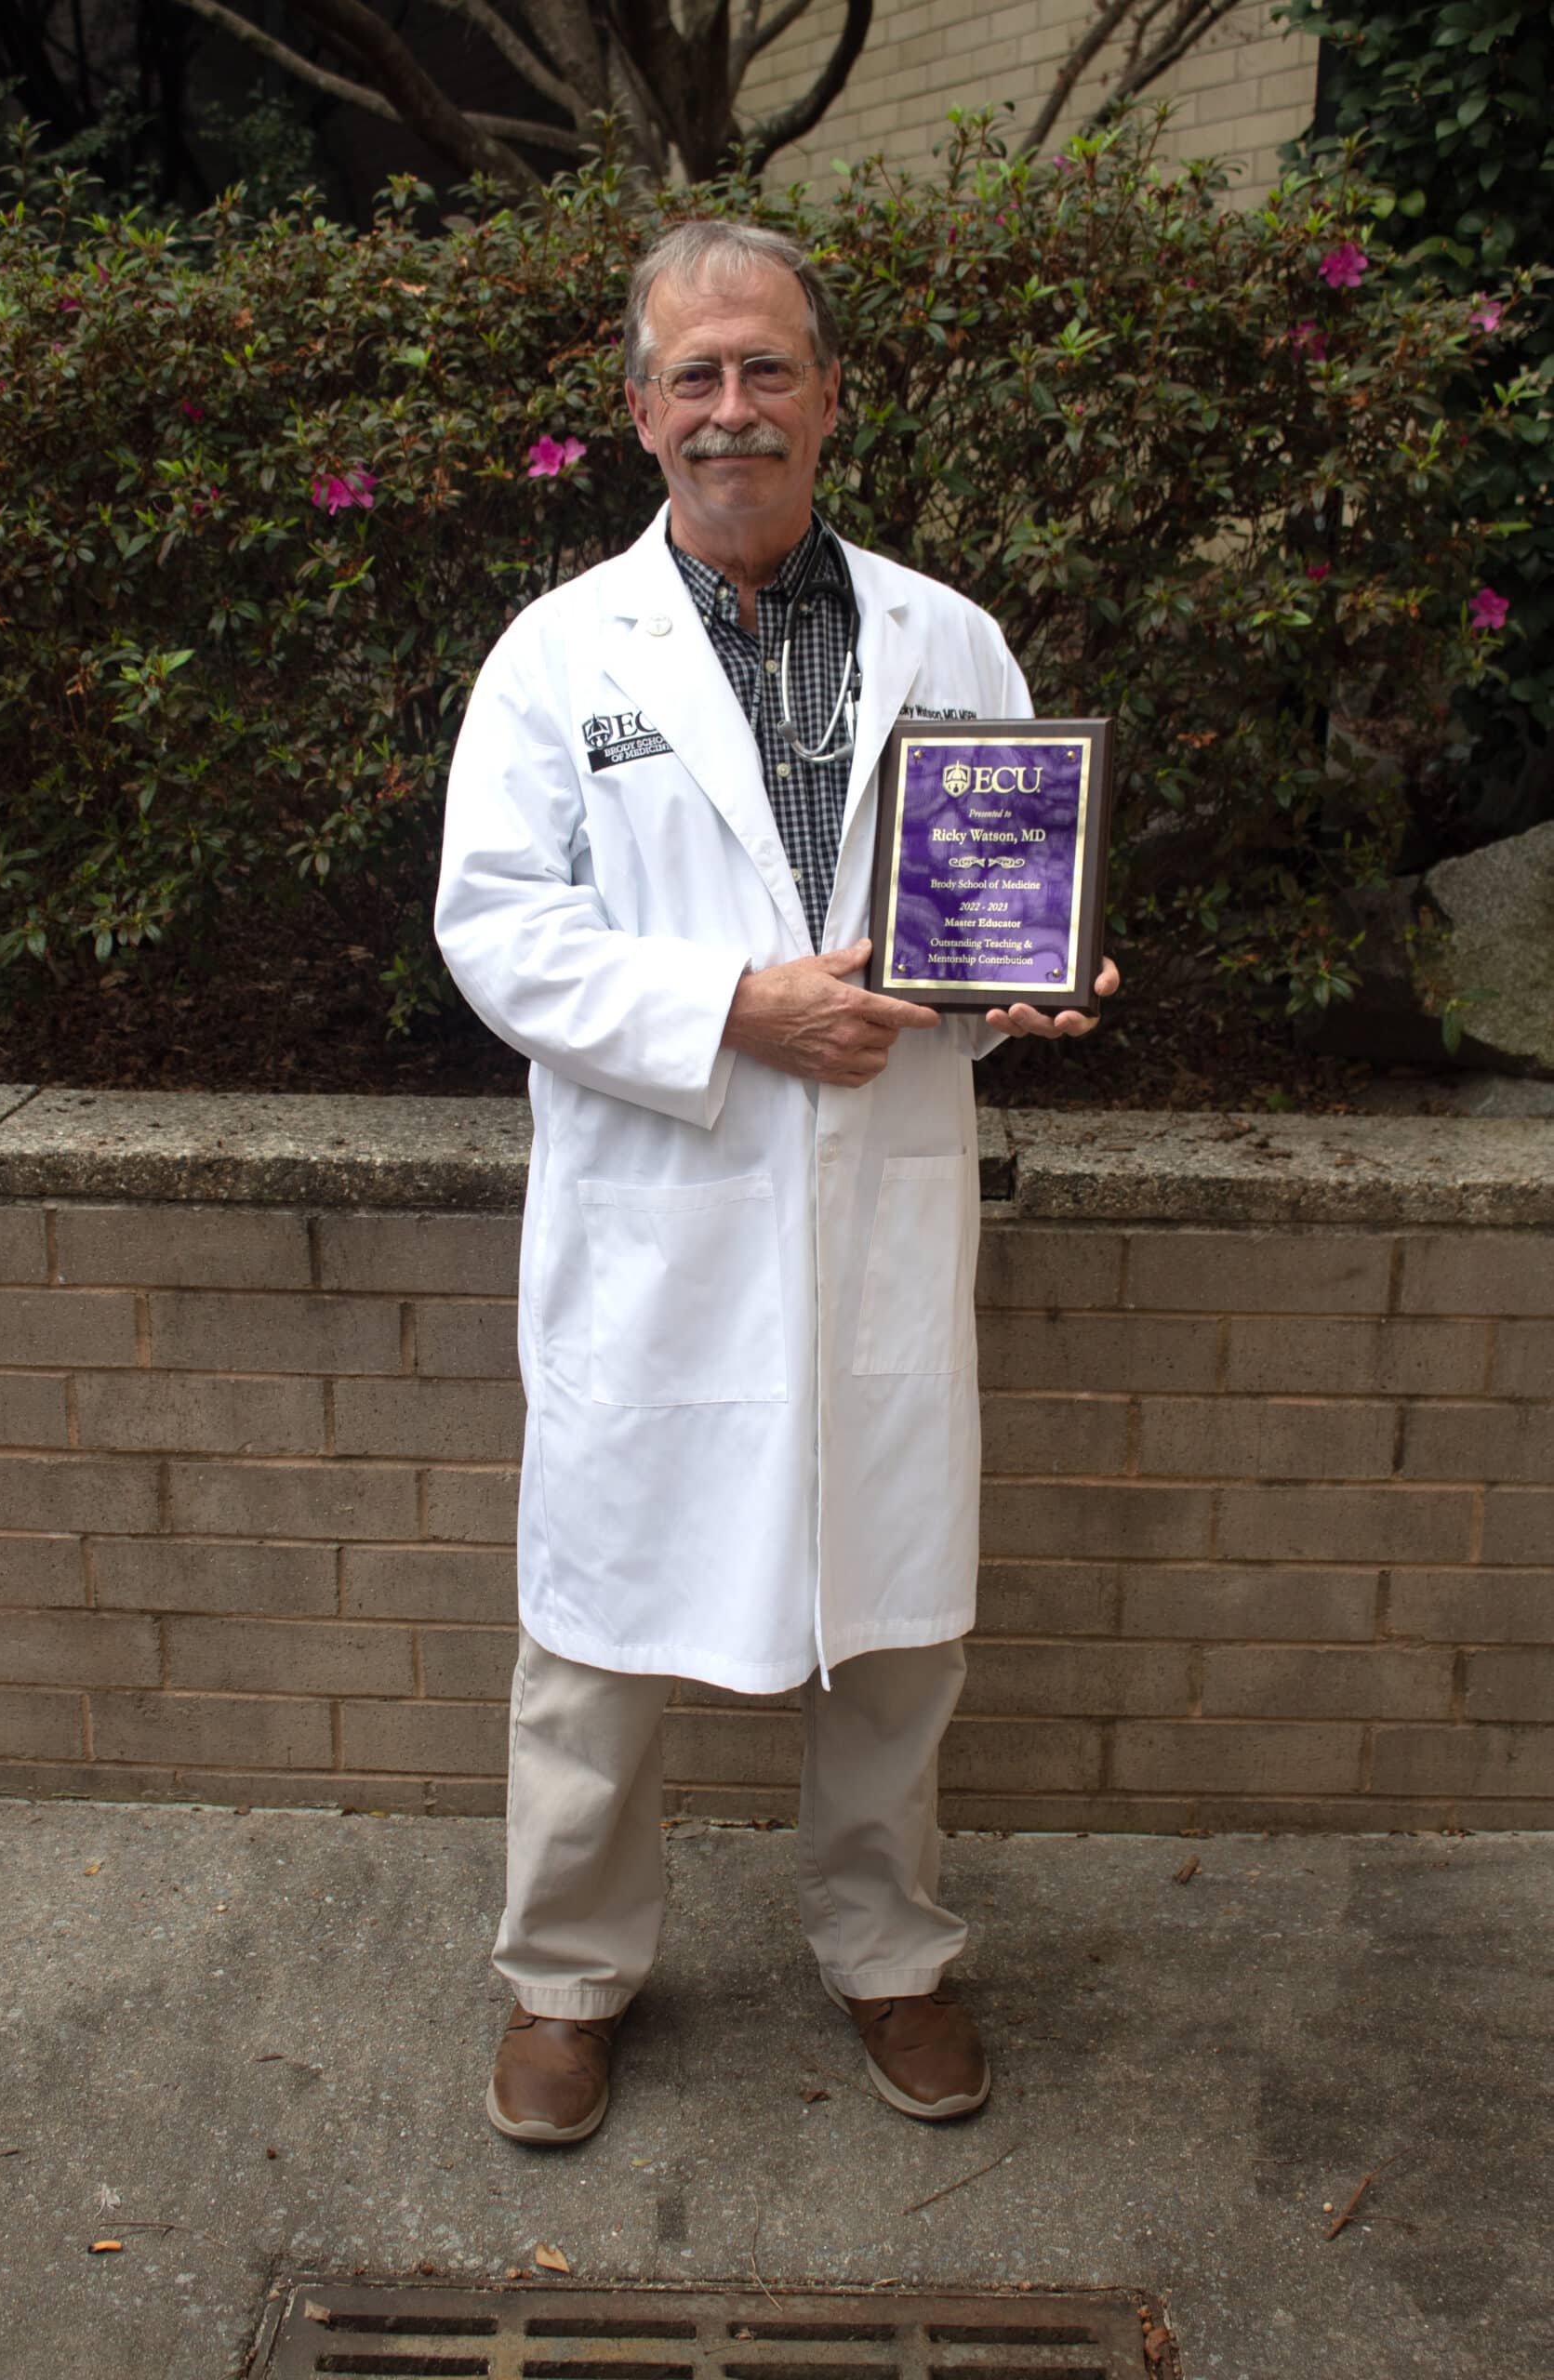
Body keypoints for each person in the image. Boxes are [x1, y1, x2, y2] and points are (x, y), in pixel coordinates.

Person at [434, 218, 1119, 2148]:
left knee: (894, 1628)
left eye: (766, 370)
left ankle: (888, 1949)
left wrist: (1022, 997)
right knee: (595, 1642)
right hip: (663, 1232)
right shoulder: (561, 656)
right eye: (694, 376)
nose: (731, 409)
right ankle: (563, 1977)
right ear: (638, 408)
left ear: (827, 395)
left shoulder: (943, 632)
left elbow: (976, 915)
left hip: (876, 1219)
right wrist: (730, 1003)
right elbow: (496, 931)